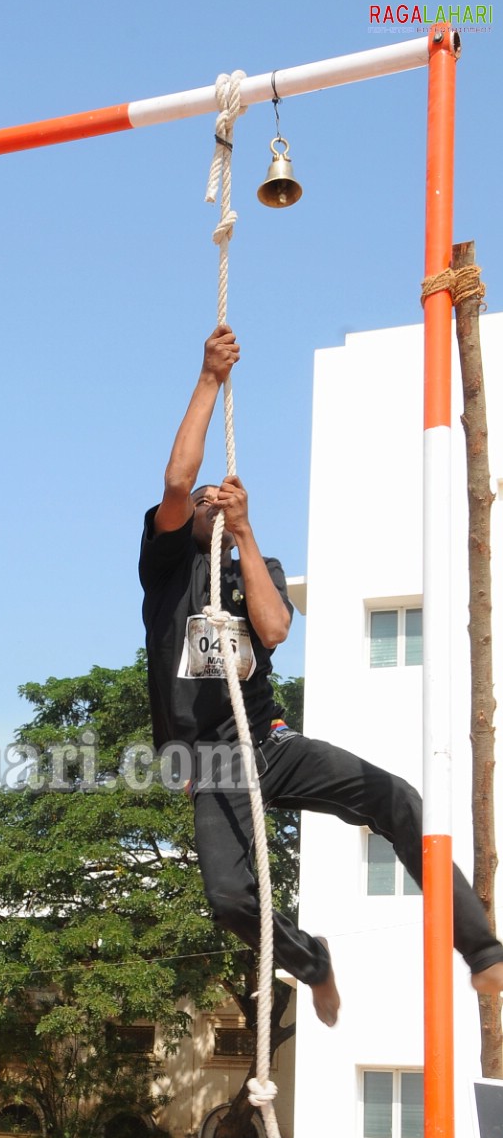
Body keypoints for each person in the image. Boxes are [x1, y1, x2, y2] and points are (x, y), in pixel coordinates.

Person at [140, 324, 503, 1025]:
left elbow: (275, 629)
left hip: (271, 746)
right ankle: (309, 960)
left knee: (394, 796)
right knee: (230, 901)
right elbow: (177, 478)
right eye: (205, 503)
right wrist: (210, 379)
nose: (212, 500)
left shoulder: (252, 568)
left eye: (225, 498)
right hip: (210, 761)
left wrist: (245, 537)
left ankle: (482, 951)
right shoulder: (166, 569)